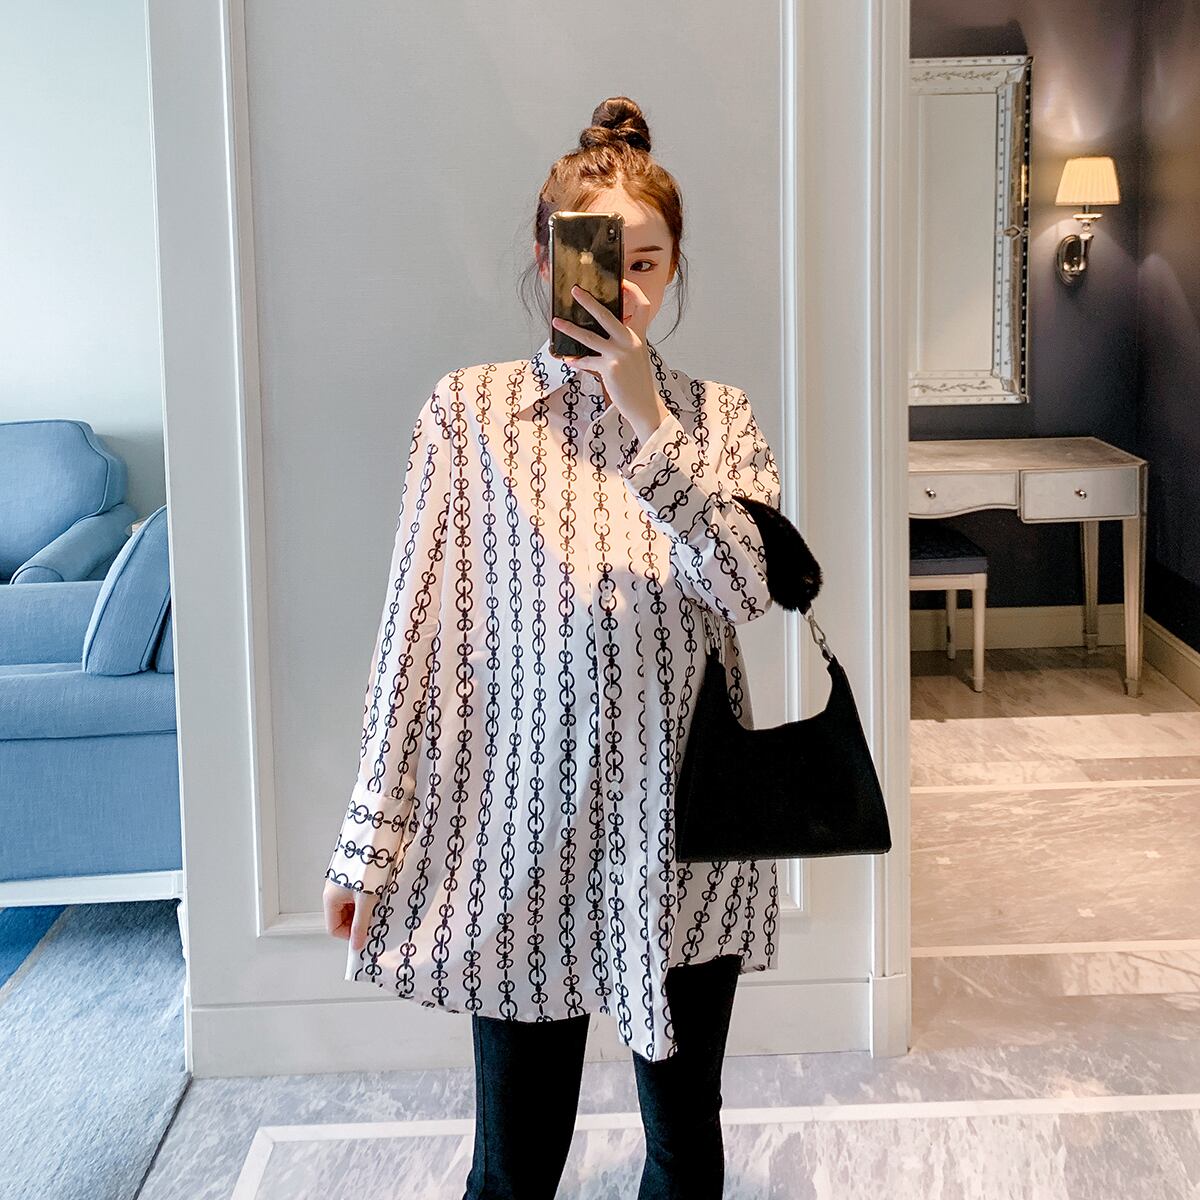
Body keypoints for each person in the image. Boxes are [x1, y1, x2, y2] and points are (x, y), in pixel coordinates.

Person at [322, 94, 783, 1199]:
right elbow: (411, 633)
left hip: (689, 836)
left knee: (685, 1149)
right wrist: (369, 840)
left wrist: (651, 425)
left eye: (648, 263)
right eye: (600, 259)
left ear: (674, 269)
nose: (626, 290)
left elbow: (749, 587)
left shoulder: (717, 419)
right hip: (521, 835)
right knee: (515, 1163)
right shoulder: (470, 414)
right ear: (547, 259)